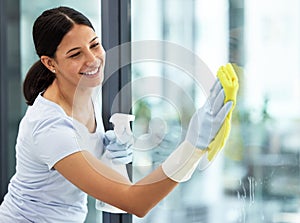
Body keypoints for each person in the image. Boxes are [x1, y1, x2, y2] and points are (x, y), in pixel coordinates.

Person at [0, 6, 238, 223]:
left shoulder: (85, 91)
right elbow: (135, 202)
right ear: (50, 63)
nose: (92, 60)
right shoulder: (50, 128)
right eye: (75, 54)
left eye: (94, 45)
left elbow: (118, 193)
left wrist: (105, 155)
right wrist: (192, 147)